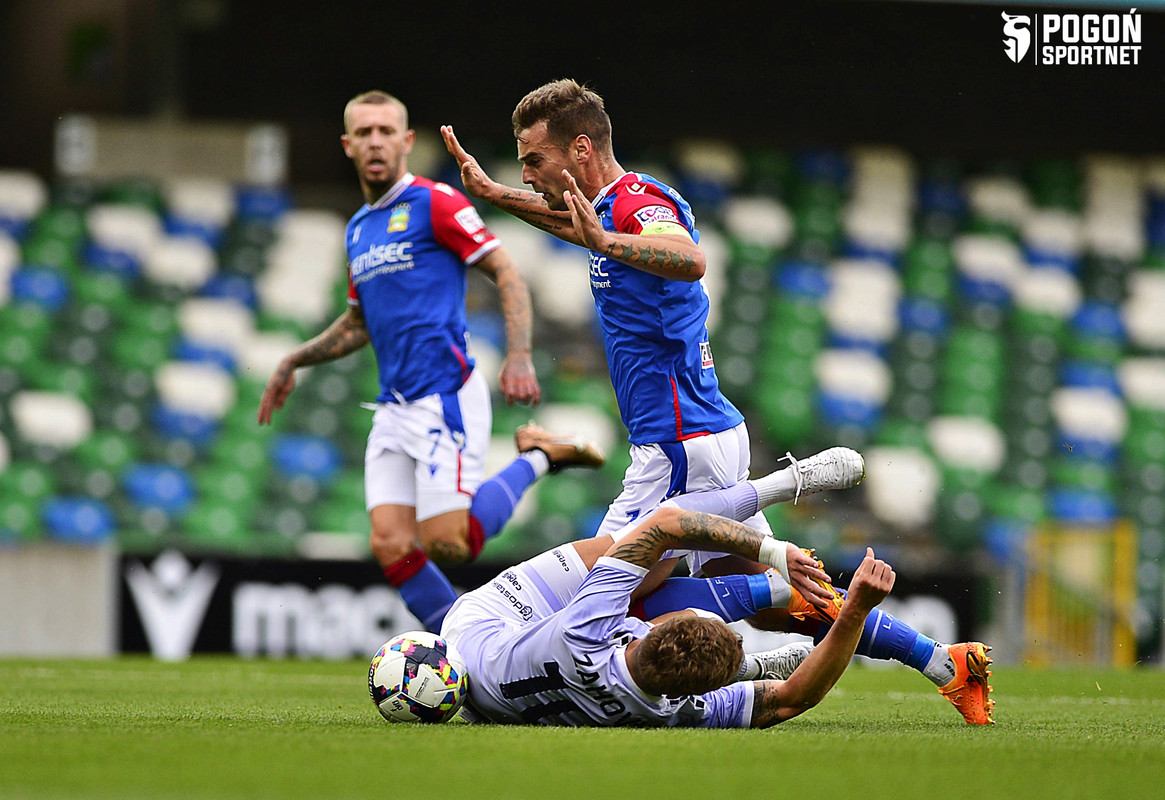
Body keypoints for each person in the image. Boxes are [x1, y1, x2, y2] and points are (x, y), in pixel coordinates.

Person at [258, 90, 604, 632]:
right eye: (364, 132)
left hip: (444, 393)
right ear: (348, 145)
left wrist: (518, 355)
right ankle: (458, 648)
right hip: (394, 405)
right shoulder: (358, 230)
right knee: (390, 543)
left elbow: (507, 270)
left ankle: (537, 455)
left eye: (385, 131)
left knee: (450, 544)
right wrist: (294, 361)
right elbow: (358, 322)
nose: (375, 141)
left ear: (406, 141)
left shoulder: (435, 202)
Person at [443, 466, 996, 726]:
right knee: (656, 575)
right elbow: (791, 697)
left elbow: (666, 524)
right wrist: (848, 609)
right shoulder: (668, 707)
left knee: (648, 567)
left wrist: (781, 539)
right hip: (499, 687)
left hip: (485, 626)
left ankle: (775, 584)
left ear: (644, 637)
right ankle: (938, 661)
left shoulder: (588, 632)